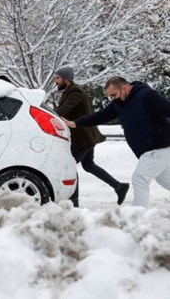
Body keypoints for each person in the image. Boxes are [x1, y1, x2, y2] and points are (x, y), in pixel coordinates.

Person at [63, 76, 170, 207]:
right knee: (164, 180)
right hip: (148, 150)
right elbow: (101, 116)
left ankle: (136, 216)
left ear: (124, 88)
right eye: (110, 96)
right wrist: (76, 123)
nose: (112, 98)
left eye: (113, 94)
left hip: (160, 146)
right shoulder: (119, 103)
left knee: (140, 179)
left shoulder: (147, 96)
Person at [53, 67, 129, 207]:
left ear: (66, 79)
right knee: (89, 165)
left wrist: (50, 112)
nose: (55, 81)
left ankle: (73, 202)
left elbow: (63, 111)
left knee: (70, 167)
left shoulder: (75, 92)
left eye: (57, 78)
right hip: (85, 136)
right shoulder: (70, 91)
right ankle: (119, 187)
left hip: (83, 137)